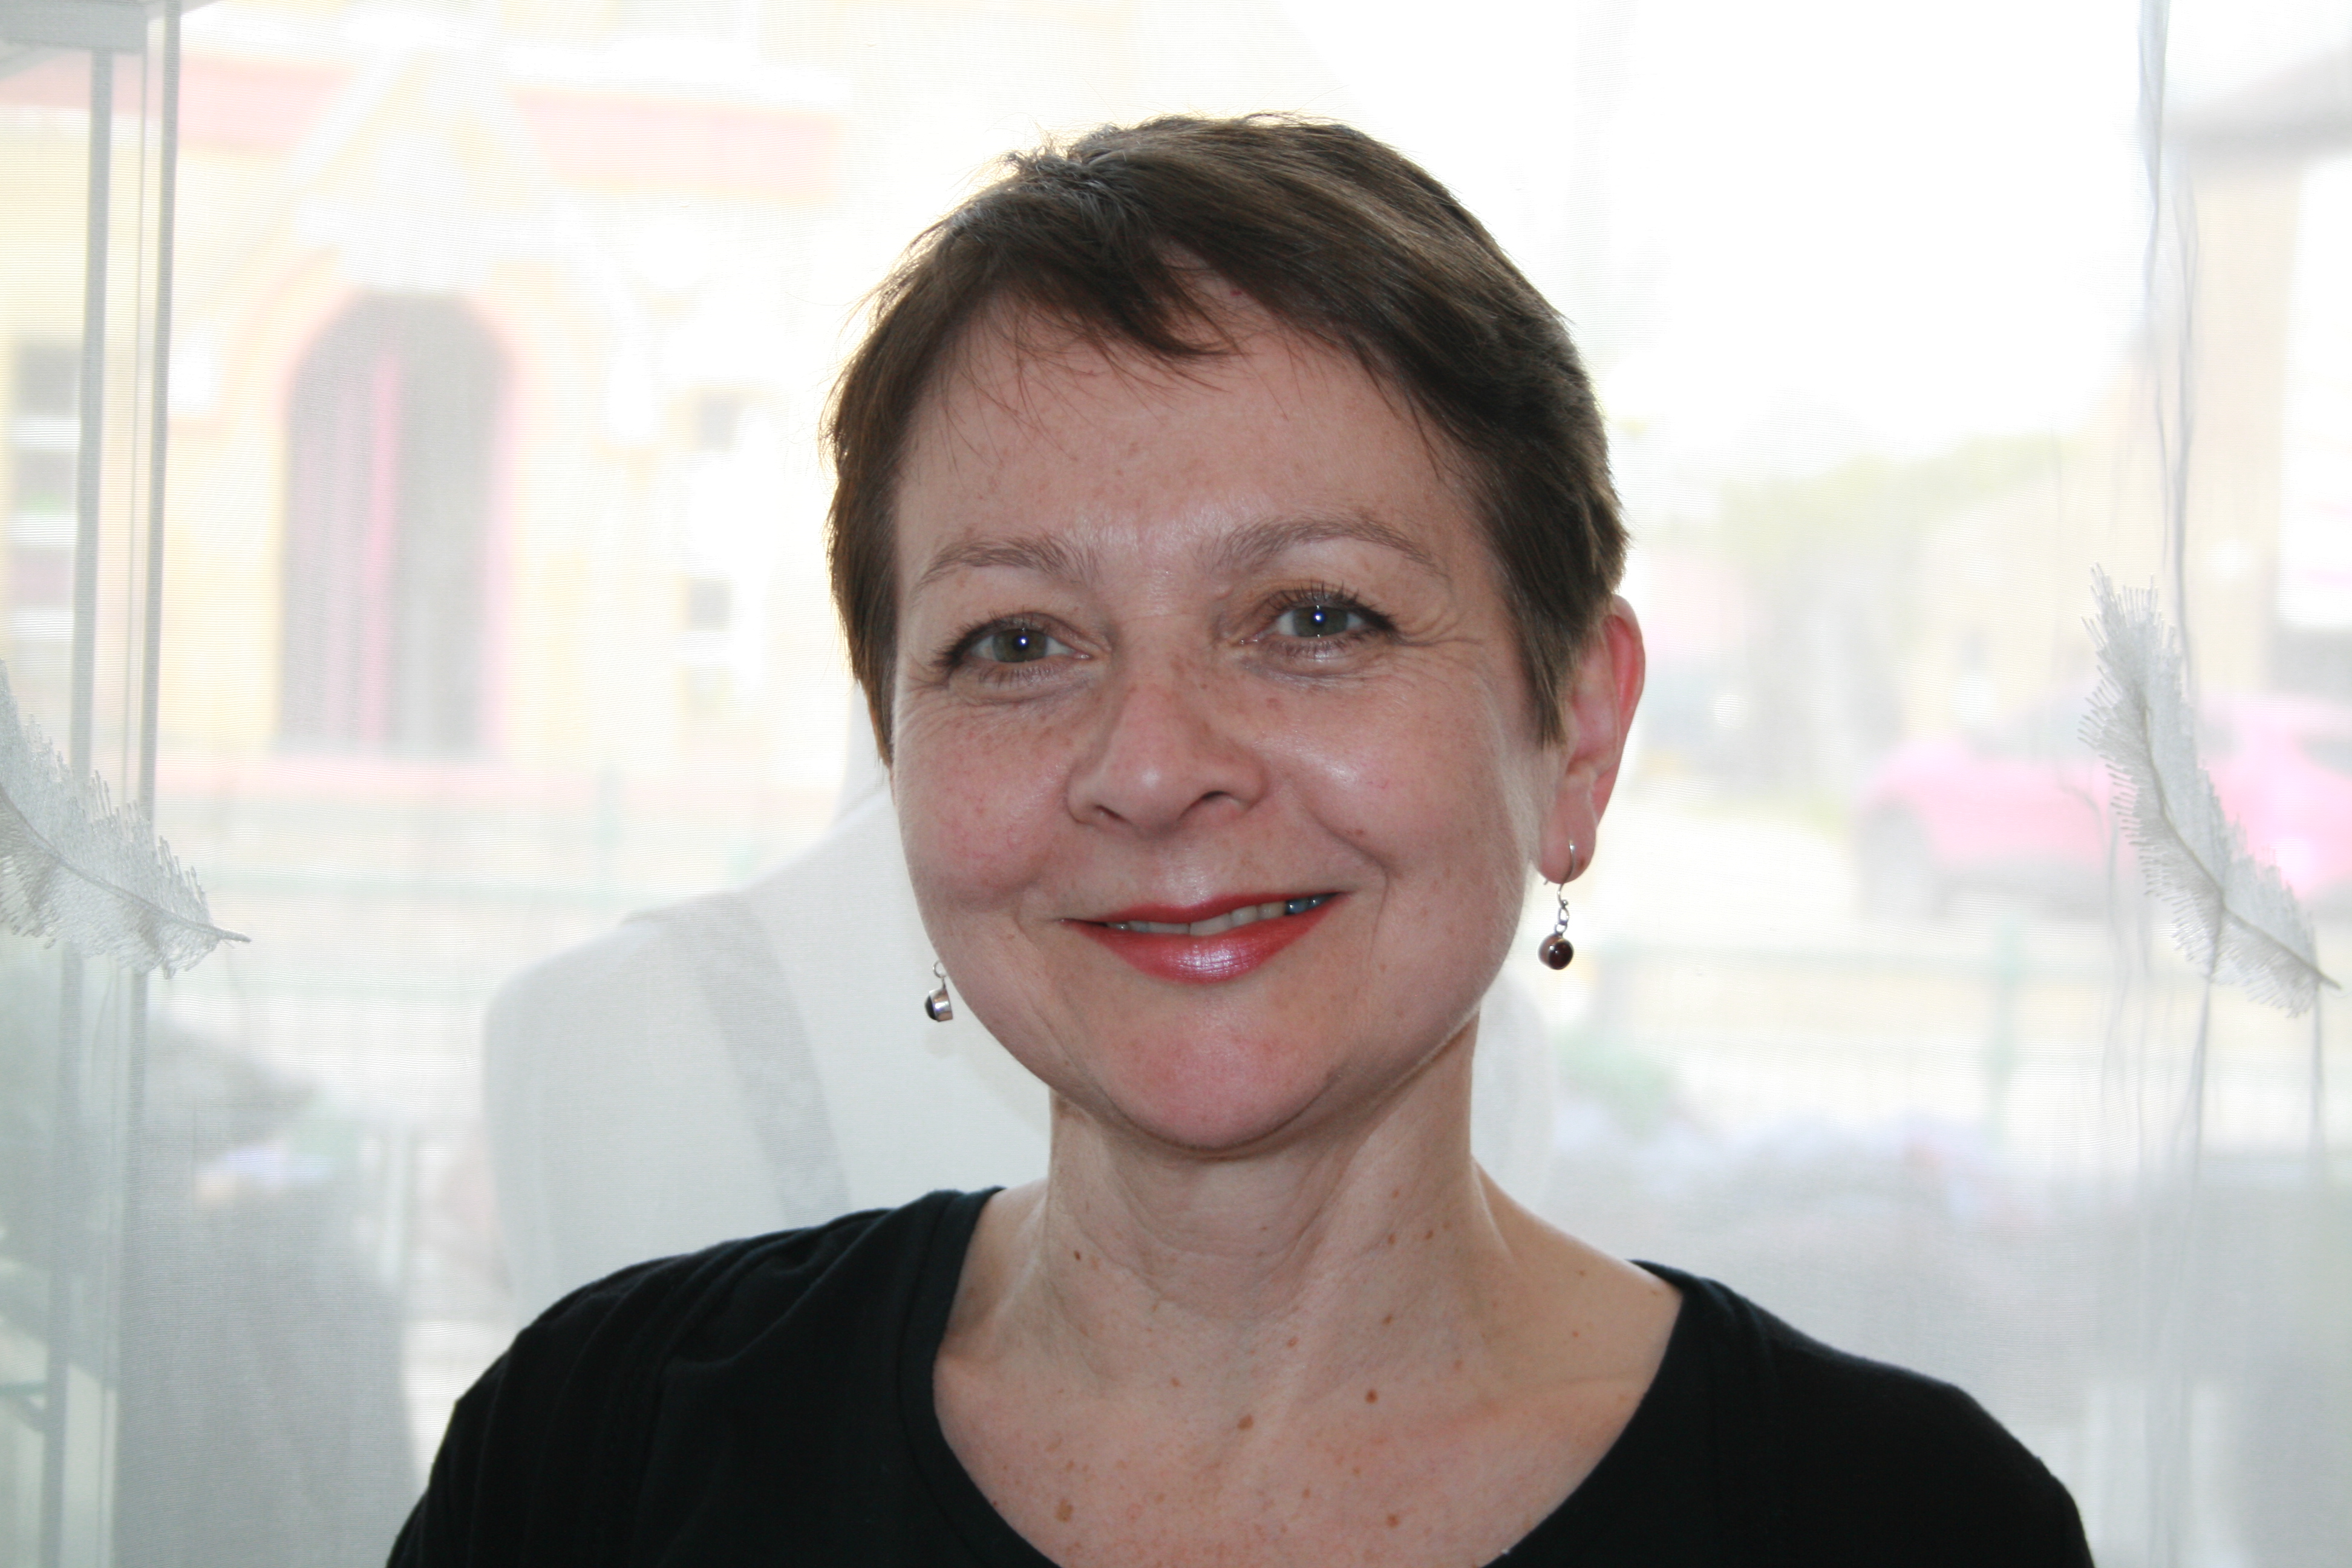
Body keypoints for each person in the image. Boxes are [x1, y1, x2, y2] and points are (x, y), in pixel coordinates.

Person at [392, 114, 2092, 1566]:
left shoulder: (1901, 1525)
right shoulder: (596, 1454)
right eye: (1019, 642)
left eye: (1316, 617)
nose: (1152, 768)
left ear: (1575, 730)